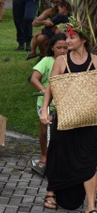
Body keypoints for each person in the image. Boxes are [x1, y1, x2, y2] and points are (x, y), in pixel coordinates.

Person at [40, 20, 97, 212]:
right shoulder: (61, 61)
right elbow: (51, 87)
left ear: (83, 40)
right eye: (67, 37)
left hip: (90, 119)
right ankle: (52, 191)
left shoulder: (96, 61)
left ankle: (90, 205)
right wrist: (44, 109)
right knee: (58, 154)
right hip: (65, 117)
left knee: (89, 160)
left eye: (72, 37)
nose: (68, 40)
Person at [29, 34, 67, 192]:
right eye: (59, 47)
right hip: (45, 103)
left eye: (65, 47)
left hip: (64, 103)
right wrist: (45, 90)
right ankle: (44, 156)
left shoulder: (70, 62)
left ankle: (60, 160)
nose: (62, 50)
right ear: (52, 48)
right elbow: (34, 78)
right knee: (45, 131)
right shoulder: (47, 61)